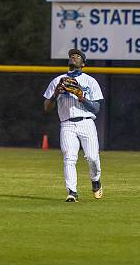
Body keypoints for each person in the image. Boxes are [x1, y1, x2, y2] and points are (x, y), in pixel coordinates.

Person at [43, 49, 104, 202]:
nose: (74, 57)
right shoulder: (58, 81)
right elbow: (47, 107)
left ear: (83, 63)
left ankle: (95, 180)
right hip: (67, 124)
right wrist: (56, 93)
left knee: (92, 157)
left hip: (86, 123)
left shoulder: (90, 81)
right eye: (72, 56)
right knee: (69, 158)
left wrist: (81, 97)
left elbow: (96, 108)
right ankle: (72, 192)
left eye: (78, 56)